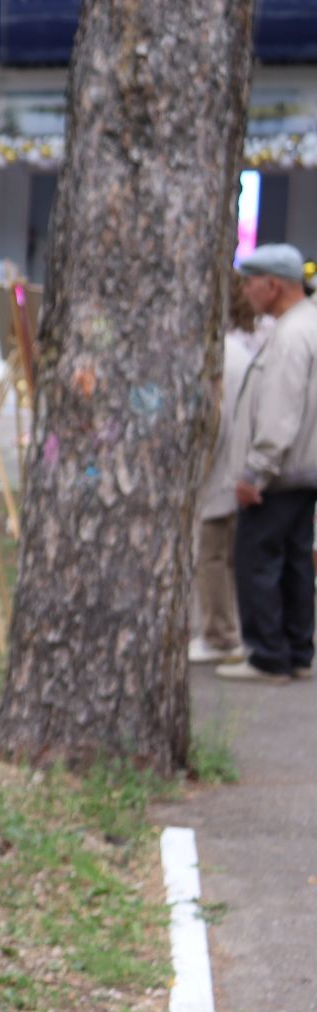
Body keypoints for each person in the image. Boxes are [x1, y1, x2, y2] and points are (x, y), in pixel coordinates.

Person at [219, 243, 317, 684]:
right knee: (295, 561)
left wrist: (256, 469)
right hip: (305, 469)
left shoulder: (291, 335)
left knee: (258, 559)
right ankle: (297, 650)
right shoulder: (308, 326)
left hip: (280, 471)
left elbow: (280, 410)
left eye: (250, 281)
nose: (245, 290)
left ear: (273, 285)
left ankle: (268, 656)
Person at [191, 275, 261, 665]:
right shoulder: (243, 352)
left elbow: (214, 421)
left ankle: (219, 634)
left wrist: (200, 469)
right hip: (237, 470)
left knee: (213, 557)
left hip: (221, 473)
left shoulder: (222, 355)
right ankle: (226, 629)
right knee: (226, 557)